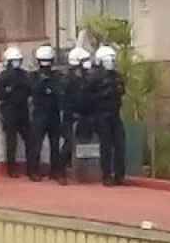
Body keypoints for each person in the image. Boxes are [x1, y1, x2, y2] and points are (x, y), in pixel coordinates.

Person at [0, 46, 38, 181]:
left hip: (22, 111)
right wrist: (9, 91)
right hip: (9, 111)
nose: (16, 63)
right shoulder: (3, 77)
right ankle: (12, 169)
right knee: (12, 142)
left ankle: (31, 170)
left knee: (29, 141)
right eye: (14, 60)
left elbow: (30, 91)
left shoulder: (24, 75)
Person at [90, 45, 126, 186]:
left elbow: (122, 90)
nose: (111, 61)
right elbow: (88, 96)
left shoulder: (117, 76)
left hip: (115, 115)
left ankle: (119, 175)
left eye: (112, 58)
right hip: (101, 115)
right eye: (108, 59)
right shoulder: (95, 77)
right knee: (106, 146)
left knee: (120, 144)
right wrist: (103, 94)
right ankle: (106, 175)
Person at [30, 44, 66, 182]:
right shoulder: (34, 76)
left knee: (54, 144)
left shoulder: (57, 76)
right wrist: (44, 85)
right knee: (37, 144)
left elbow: (59, 92)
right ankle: (34, 171)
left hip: (52, 114)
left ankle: (54, 171)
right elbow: (34, 91)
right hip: (40, 113)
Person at [59, 46, 92, 182]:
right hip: (70, 117)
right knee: (69, 143)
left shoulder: (84, 78)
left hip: (84, 115)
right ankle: (60, 172)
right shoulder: (67, 80)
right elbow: (66, 100)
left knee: (86, 142)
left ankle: (85, 171)